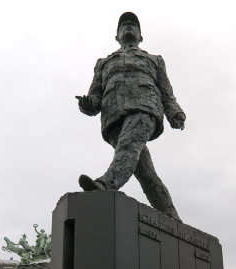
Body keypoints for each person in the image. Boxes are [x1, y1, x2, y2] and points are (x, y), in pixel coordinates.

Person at [76, 12, 186, 222]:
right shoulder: (103, 63)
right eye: (124, 24)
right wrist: (87, 105)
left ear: (140, 36)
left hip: (145, 107)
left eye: (133, 24)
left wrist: (175, 113)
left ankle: (105, 184)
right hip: (112, 117)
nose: (129, 26)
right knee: (145, 173)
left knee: (127, 148)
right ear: (116, 36)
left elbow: (166, 92)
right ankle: (173, 219)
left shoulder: (154, 60)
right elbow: (95, 97)